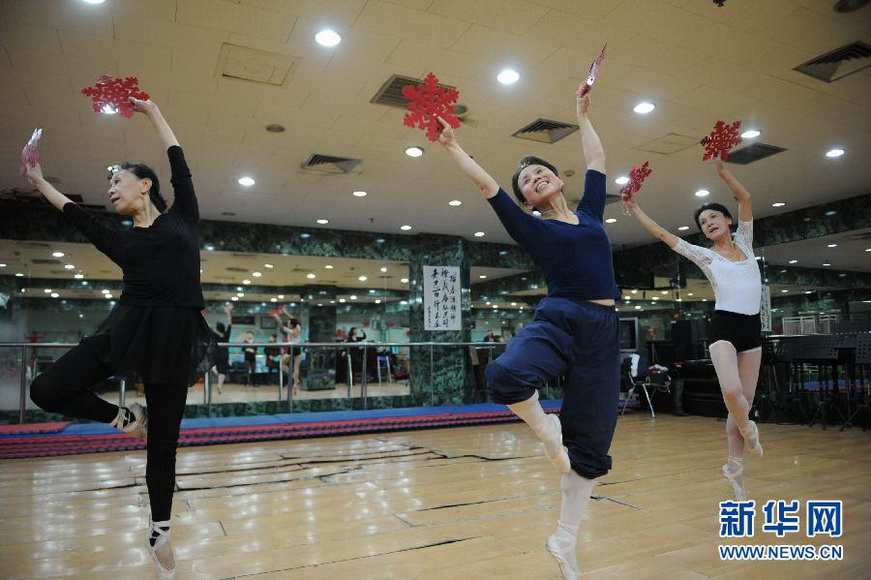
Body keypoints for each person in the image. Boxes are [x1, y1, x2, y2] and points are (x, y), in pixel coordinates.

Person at [24, 98, 214, 578]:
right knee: (45, 389)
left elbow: (179, 161)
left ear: (144, 184)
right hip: (128, 327)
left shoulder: (182, 216)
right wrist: (38, 180)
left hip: (175, 337)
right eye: (108, 185)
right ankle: (125, 417)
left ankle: (161, 531)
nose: (110, 190)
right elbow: (75, 214)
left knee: (164, 446)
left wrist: (152, 111)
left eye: (117, 181)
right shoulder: (121, 239)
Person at [437, 85, 620, 580]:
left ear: (559, 180)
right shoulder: (532, 228)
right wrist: (454, 145)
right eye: (526, 180)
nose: (535, 176)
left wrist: (581, 113)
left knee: (591, 447)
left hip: (605, 330)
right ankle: (547, 429)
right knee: (506, 376)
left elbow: (598, 157)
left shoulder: (590, 215)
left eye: (541, 170)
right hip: (561, 316)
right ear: (527, 201)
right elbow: (486, 188)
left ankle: (565, 539)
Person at [624, 158, 763, 500]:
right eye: (703, 222)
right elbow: (661, 235)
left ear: (728, 220)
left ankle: (735, 467)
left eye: (714, 216)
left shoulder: (745, 242)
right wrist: (633, 207)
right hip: (724, 326)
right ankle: (749, 427)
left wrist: (722, 172)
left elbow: (744, 197)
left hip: (753, 328)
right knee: (732, 393)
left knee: (742, 400)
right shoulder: (704, 256)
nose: (709, 223)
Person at [273, 308, 302, 395]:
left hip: (292, 348)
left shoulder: (290, 331)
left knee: (282, 364)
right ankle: (295, 383)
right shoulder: (298, 327)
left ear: (292, 325)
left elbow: (281, 325)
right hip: (298, 348)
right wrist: (286, 312)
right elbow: (293, 318)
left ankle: (293, 375)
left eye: (289, 323)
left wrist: (277, 316)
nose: (288, 323)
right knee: (296, 367)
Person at [211, 303, 233, 395]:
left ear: (217, 329)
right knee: (223, 371)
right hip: (224, 353)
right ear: (223, 329)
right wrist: (228, 312)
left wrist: (202, 316)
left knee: (215, 364)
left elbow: (206, 326)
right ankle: (220, 384)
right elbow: (230, 323)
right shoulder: (226, 335)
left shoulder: (214, 335)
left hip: (216, 352)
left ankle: (213, 367)